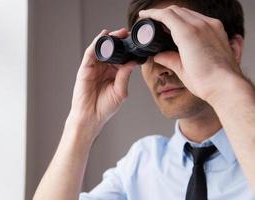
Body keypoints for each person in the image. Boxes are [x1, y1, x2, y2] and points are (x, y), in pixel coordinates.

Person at [33, 0, 255, 199]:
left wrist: (222, 82)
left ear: (232, 50)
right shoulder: (141, 164)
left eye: (176, 45)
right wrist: (82, 122)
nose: (160, 69)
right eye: (146, 54)